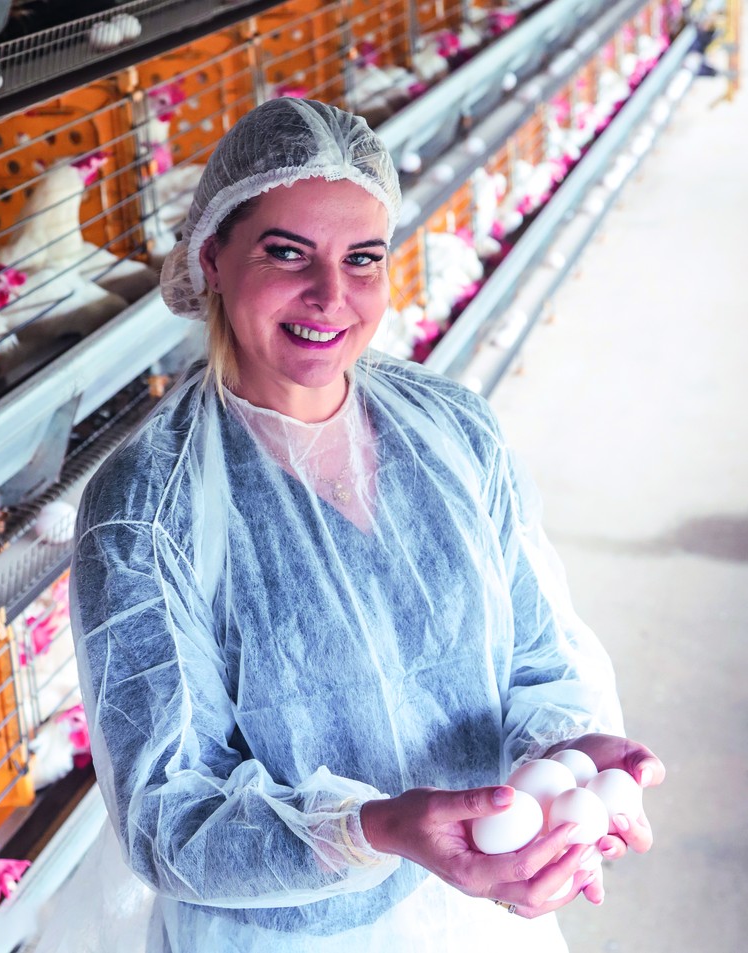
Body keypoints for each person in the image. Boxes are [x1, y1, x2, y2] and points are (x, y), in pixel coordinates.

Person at [69, 98, 665, 953]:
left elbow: (540, 657)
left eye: (363, 257)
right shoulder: (145, 506)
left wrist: (570, 750)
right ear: (211, 257)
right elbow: (169, 813)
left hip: (476, 915)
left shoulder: (454, 432)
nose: (330, 296)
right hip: (284, 936)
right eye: (286, 252)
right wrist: (378, 826)